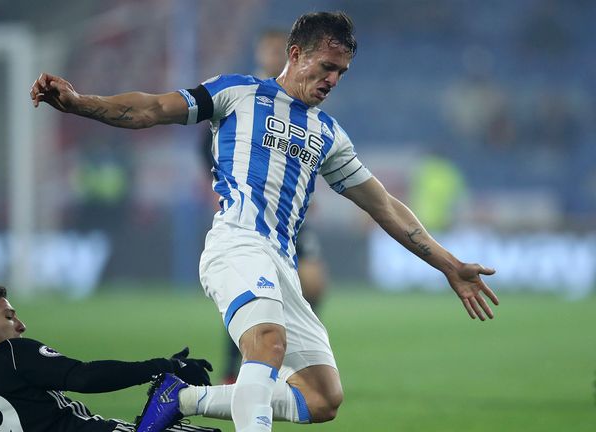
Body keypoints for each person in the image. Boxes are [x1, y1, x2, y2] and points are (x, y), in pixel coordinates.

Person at [30, 11, 499, 432]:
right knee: (267, 345)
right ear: (296, 55)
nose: (334, 79)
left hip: (282, 262)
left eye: (342, 73)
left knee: (322, 399)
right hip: (236, 243)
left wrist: (448, 264)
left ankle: (182, 398)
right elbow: (151, 108)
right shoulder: (238, 93)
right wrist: (78, 103)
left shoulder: (329, 136)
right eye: (327, 67)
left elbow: (385, 206)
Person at [199, 29, 328, 385]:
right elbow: (207, 144)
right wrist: (218, 186)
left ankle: (287, 355)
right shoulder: (244, 95)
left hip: (288, 219)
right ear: (260, 53)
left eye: (278, 50)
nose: (274, 56)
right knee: (254, 293)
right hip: (250, 213)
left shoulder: (303, 101)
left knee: (314, 284)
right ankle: (234, 368)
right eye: (268, 49)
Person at [0, 283, 219, 432]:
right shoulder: (10, 353)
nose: (21, 325)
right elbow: (84, 377)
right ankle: (170, 400)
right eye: (9, 317)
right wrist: (164, 366)